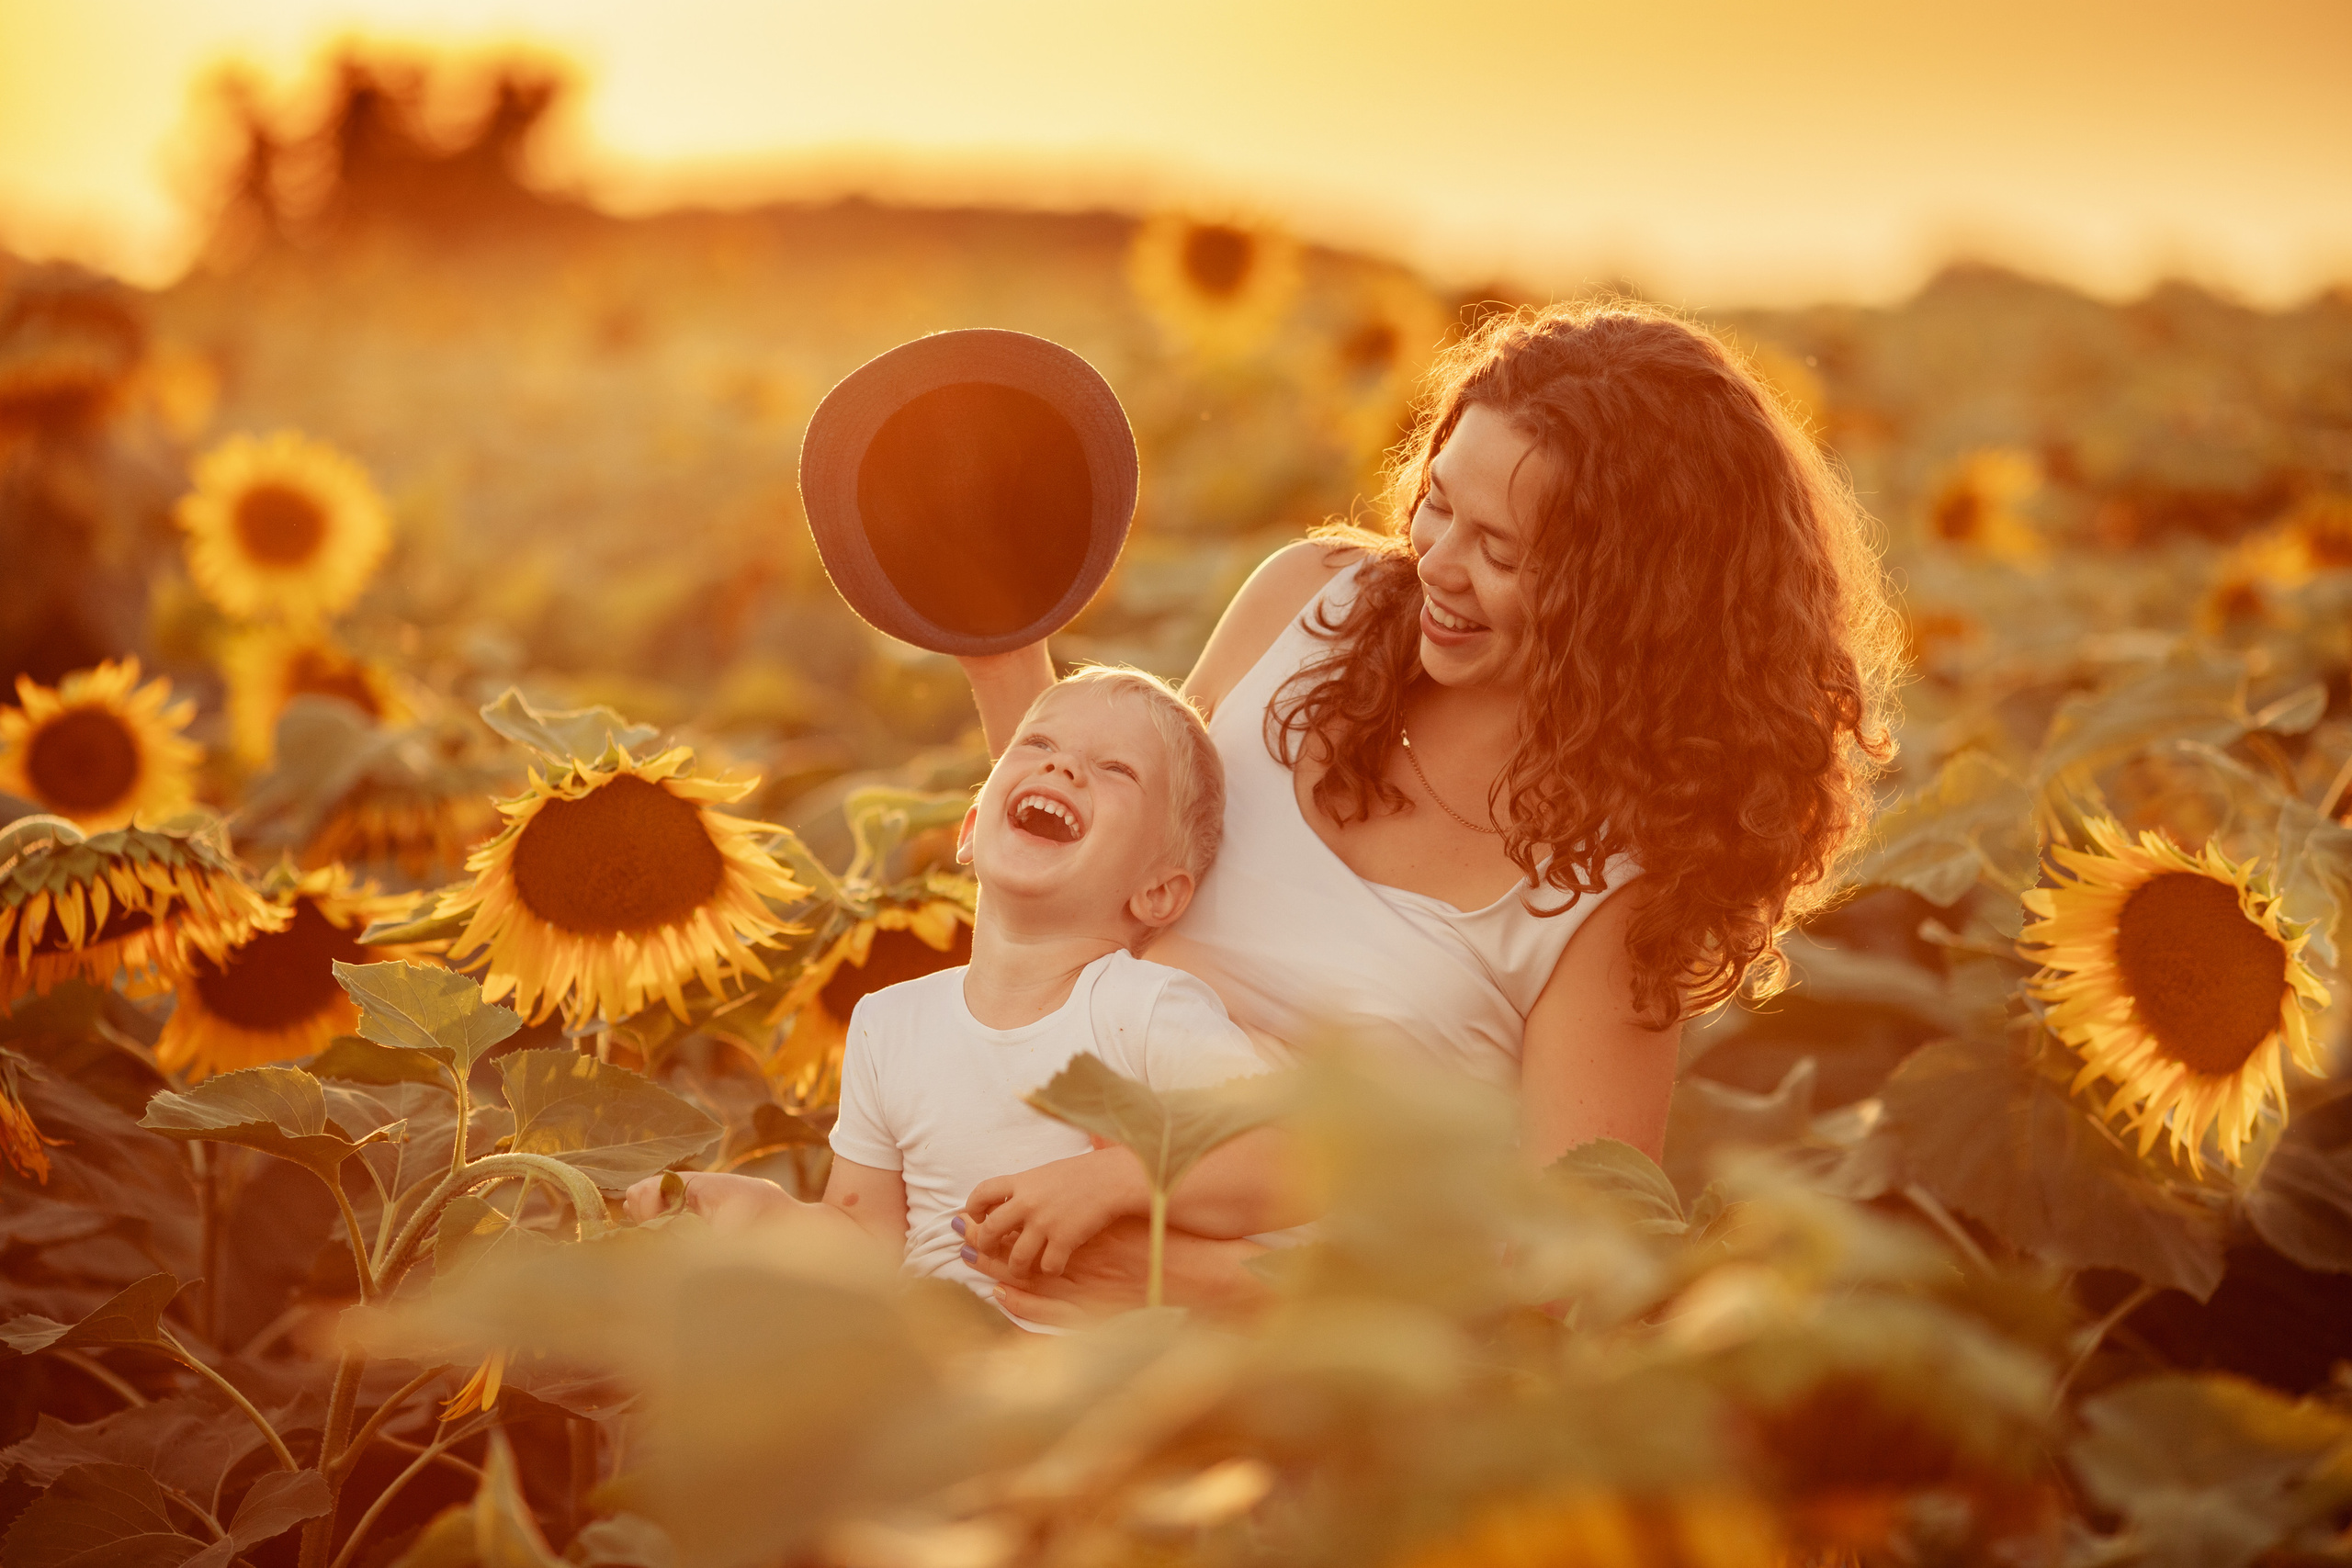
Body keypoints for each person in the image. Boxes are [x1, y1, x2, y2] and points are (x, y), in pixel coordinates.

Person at [956, 300, 1903, 1323]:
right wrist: (1001, 651)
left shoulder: (1614, 888)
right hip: (1007, 1209)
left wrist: (1187, 1276)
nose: (1438, 565)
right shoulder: (1303, 608)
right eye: (1439, 505)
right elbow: (1095, 894)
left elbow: (1562, 1273)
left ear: (1628, 599)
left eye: (1501, 551)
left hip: (1295, 1356)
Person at [622, 667, 1295, 1324]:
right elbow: (864, 1243)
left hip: (1101, 1379)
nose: (1063, 765)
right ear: (969, 829)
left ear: (1158, 892)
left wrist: (1113, 1179)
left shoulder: (1145, 1009)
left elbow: (1286, 1160)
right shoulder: (887, 1024)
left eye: (1117, 768)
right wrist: (765, 1213)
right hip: (934, 1371)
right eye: (1039, 742)